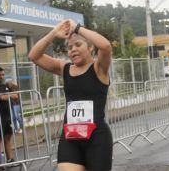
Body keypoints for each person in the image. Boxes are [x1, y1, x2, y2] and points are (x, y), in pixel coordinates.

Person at [29, 19, 113, 171]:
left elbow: (106, 46)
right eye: (70, 47)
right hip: (71, 137)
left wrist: (77, 28)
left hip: (97, 138)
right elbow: (34, 56)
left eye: (78, 45)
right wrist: (54, 33)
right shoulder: (64, 68)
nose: (73, 49)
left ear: (91, 47)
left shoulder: (99, 68)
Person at [0, 67, 18, 165]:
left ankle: (10, 159)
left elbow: (16, 95)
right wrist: (9, 95)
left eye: (3, 75)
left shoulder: (6, 86)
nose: (1, 77)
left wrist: (13, 86)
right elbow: (1, 97)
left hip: (7, 116)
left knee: (8, 137)